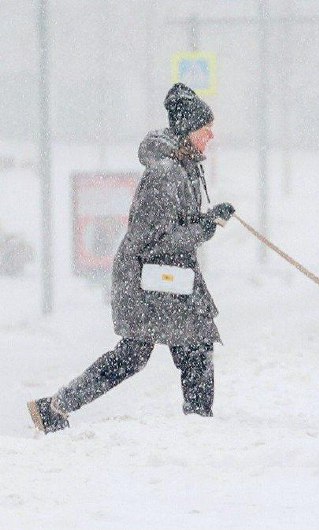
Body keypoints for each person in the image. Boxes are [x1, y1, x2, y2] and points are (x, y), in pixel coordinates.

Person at [27, 83, 235, 433]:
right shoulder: (165, 175)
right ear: (187, 131)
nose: (211, 135)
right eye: (205, 129)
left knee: (160, 351)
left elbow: (173, 226)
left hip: (163, 278)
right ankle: (199, 428)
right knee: (164, 351)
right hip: (147, 279)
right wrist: (204, 227)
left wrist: (206, 218)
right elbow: (157, 239)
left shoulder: (182, 167)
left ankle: (54, 407)